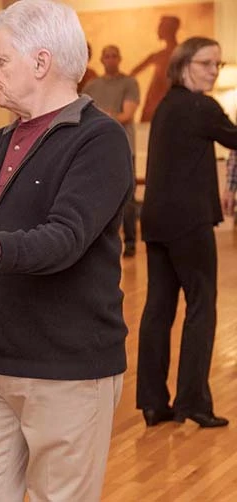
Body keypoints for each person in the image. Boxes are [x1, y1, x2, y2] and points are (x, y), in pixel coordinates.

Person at [0, 1, 133, 500]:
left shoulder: (99, 140)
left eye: (1, 60)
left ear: (41, 62)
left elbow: (65, 239)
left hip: (66, 374)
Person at [137, 36, 237, 429]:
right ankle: (193, 402)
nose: (214, 71)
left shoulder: (167, 104)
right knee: (201, 306)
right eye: (206, 64)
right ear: (183, 65)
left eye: (218, 64)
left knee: (159, 308)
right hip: (189, 222)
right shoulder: (202, 106)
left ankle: (152, 402)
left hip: (157, 220)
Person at [84, 44, 141, 257]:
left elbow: (127, 114)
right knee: (95, 195)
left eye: (114, 56)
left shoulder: (129, 83)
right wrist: (108, 115)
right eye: (106, 56)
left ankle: (131, 242)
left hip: (124, 147)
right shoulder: (91, 86)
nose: (110, 59)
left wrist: (103, 115)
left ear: (120, 58)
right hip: (95, 148)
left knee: (127, 197)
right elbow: (83, 115)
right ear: (101, 59)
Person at [131, 15, 180, 122]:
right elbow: (133, 73)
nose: (158, 30)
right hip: (155, 104)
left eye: (161, 27)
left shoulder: (180, 54)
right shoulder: (158, 55)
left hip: (168, 104)